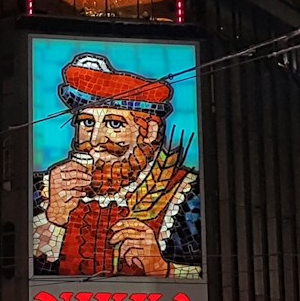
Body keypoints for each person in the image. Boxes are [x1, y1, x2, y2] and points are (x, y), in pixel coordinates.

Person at [32, 52, 200, 278]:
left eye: (114, 123)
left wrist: (164, 268)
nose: (95, 139)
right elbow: (13, 274)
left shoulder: (188, 196)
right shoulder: (42, 190)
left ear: (149, 131)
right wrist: (53, 218)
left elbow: (220, 279)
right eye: (87, 123)